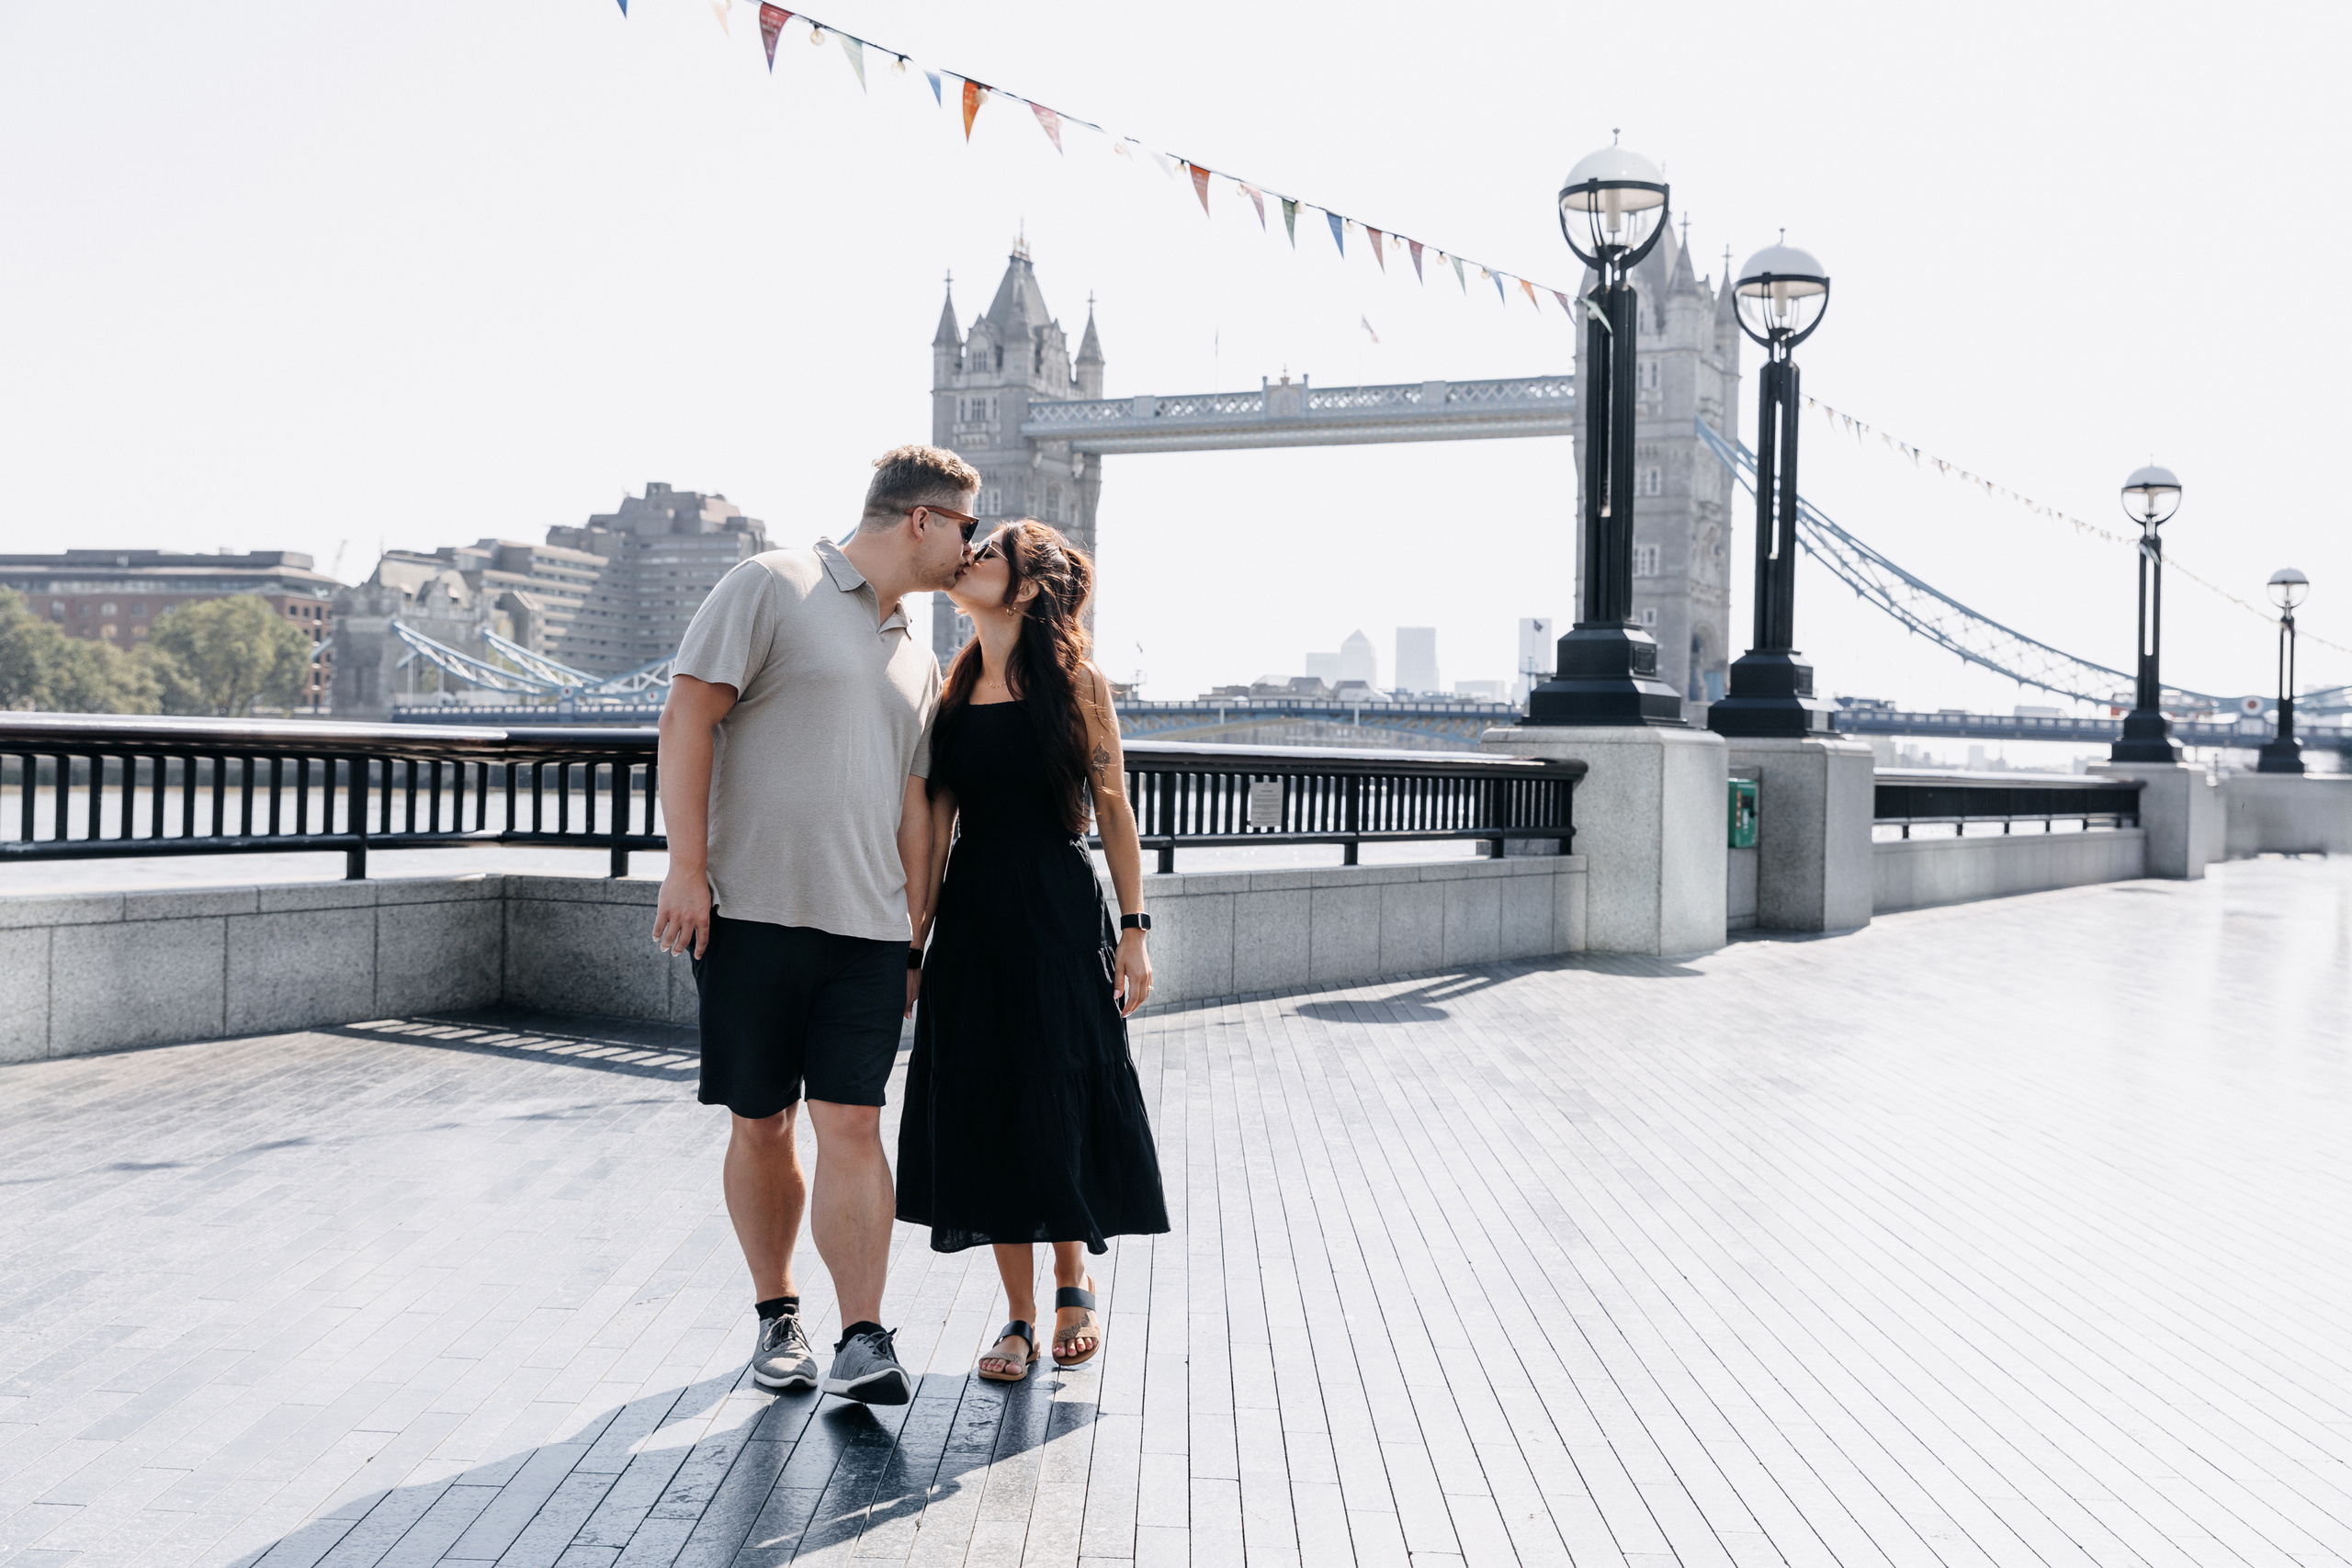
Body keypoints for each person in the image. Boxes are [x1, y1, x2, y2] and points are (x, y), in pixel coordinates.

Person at [653, 444, 980, 1405]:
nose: (975, 544)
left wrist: (914, 932)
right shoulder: (772, 583)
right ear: (921, 518)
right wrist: (685, 870)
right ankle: (776, 1317)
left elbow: (919, 805)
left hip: (870, 934)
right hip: (748, 913)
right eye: (967, 526)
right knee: (763, 1124)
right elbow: (687, 715)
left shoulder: (918, 652)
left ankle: (865, 1335)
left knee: (855, 1118)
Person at [895, 518, 1170, 1382]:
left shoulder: (1075, 680)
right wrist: (913, 944)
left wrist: (1135, 930)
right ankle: (1016, 1314)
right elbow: (935, 828)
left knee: (1054, 1091)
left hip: (1055, 905)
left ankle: (1069, 1279)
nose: (967, 559)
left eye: (988, 554)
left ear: (1022, 588)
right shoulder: (952, 683)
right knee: (985, 1102)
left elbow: (1114, 806)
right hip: (973, 914)